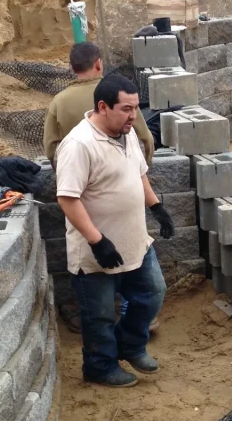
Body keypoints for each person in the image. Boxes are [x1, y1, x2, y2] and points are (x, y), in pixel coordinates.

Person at [55, 75, 174, 388]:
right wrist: (97, 241)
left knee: (152, 293)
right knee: (100, 315)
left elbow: (140, 174)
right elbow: (67, 198)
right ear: (102, 107)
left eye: (135, 107)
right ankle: (99, 366)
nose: (133, 115)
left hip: (134, 243)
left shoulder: (128, 131)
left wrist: (156, 208)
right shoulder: (79, 145)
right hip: (97, 252)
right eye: (126, 108)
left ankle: (130, 346)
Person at [43, 42, 154, 168]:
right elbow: (145, 139)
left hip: (79, 174)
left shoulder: (58, 101)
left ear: (73, 68)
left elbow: (50, 148)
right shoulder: (118, 93)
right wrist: (143, 167)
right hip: (119, 171)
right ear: (98, 63)